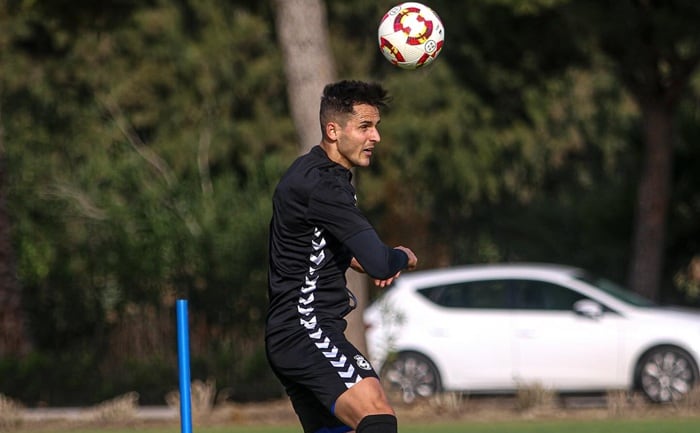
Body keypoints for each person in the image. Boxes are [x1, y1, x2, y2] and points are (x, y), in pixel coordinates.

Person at [266, 80, 419, 433]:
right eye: (365, 126)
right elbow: (381, 262)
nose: (375, 137)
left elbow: (313, 248)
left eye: (377, 126)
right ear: (333, 130)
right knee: (376, 415)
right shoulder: (325, 187)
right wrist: (402, 256)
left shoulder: (306, 173)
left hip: (292, 334)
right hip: (307, 329)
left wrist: (356, 258)